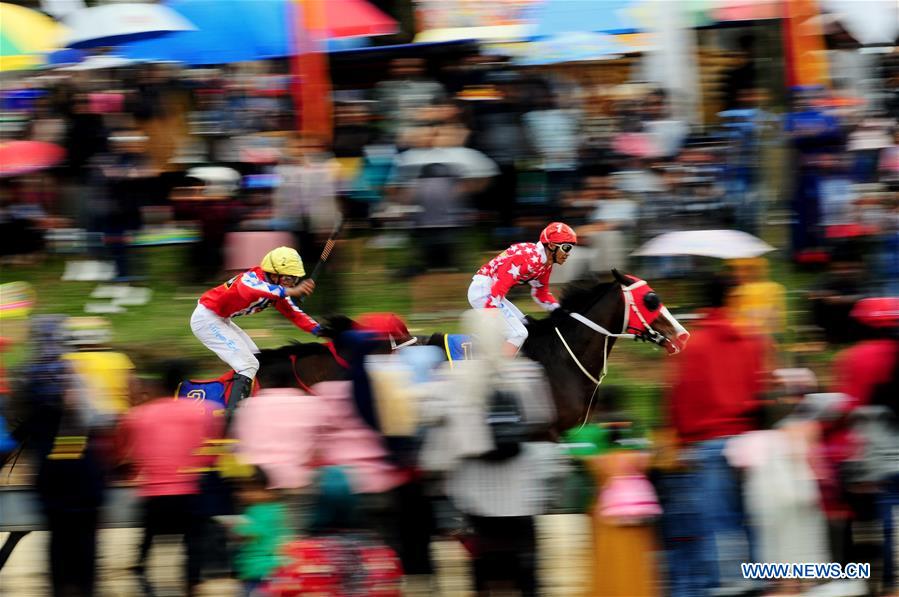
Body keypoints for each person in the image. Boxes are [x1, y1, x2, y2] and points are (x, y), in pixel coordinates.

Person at [116, 360, 219, 596]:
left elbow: (127, 455)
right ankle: (192, 582)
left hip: (153, 494)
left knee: (149, 535)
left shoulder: (139, 415)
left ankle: (141, 569)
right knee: (194, 539)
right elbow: (210, 454)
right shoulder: (204, 412)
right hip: (189, 491)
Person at [190, 246, 321, 415]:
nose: (292, 283)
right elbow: (251, 290)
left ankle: (248, 404)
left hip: (220, 319)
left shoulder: (277, 290)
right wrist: (291, 290)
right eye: (289, 278)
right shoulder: (250, 280)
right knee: (248, 365)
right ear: (274, 274)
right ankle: (232, 418)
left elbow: (294, 313)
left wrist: (320, 330)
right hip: (206, 319)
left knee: (259, 361)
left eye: (295, 279)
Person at [468, 222, 577, 353]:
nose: (568, 253)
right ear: (552, 245)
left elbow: (540, 293)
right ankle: (498, 370)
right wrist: (491, 312)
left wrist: (559, 311)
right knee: (518, 334)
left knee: (526, 326)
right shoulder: (529, 258)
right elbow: (501, 284)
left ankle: (499, 354)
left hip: (492, 291)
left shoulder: (545, 263)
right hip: (484, 291)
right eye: (566, 248)